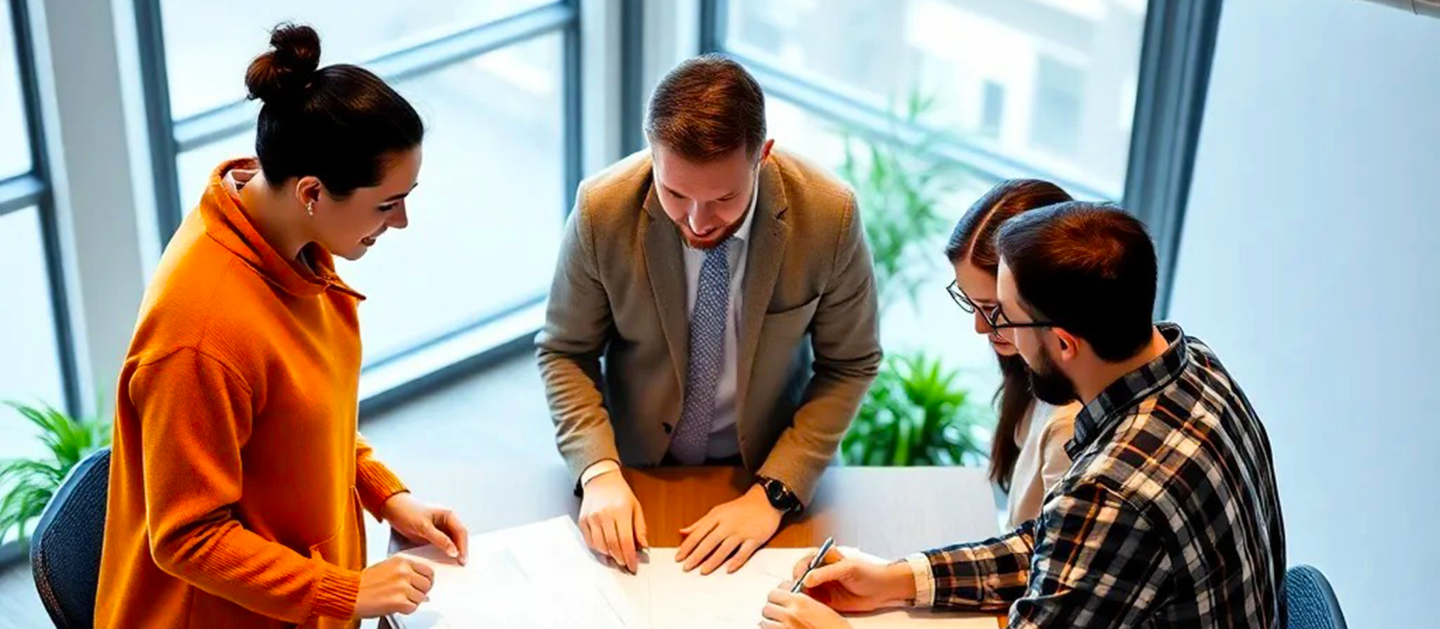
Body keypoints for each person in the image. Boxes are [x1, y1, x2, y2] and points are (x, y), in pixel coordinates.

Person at [96, 24, 468, 628]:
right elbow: (188, 538)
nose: (401, 222)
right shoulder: (200, 335)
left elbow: (299, 418)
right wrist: (347, 593)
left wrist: (386, 494)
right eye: (386, 203)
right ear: (313, 192)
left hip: (296, 600)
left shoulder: (291, 242)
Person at [762, 203, 1287, 628]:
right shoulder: (1197, 366)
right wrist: (899, 579)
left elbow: (1090, 531)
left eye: (1007, 318)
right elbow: (1063, 548)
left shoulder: (1112, 492)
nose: (1001, 337)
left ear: (1062, 342)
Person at [536, 54, 882, 576]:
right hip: (636, 470)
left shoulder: (830, 216)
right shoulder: (600, 210)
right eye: (674, 192)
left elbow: (850, 363)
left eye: (724, 197)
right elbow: (565, 351)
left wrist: (774, 492)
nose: (698, 221)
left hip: (762, 471)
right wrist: (599, 470)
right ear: (652, 152)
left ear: (762, 156)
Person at [943, 179, 1079, 528]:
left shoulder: (1070, 422)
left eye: (993, 308)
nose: (980, 327)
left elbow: (1039, 552)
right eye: (970, 303)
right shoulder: (1030, 367)